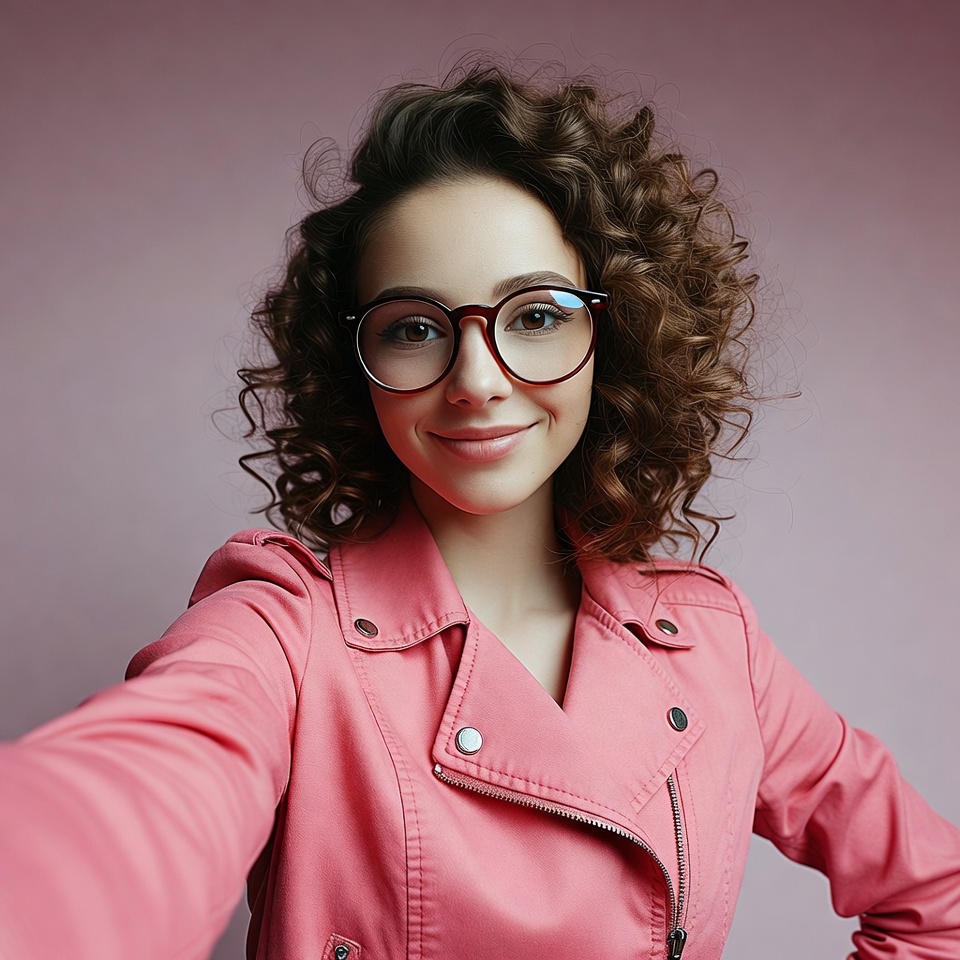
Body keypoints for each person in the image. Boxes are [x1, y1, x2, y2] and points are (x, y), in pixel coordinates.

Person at [1, 60, 959, 960]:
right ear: (356, 367)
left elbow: (937, 899)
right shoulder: (281, 631)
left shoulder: (713, 644)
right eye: (416, 328)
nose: (476, 381)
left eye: (536, 315)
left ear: (612, 334)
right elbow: (124, 806)